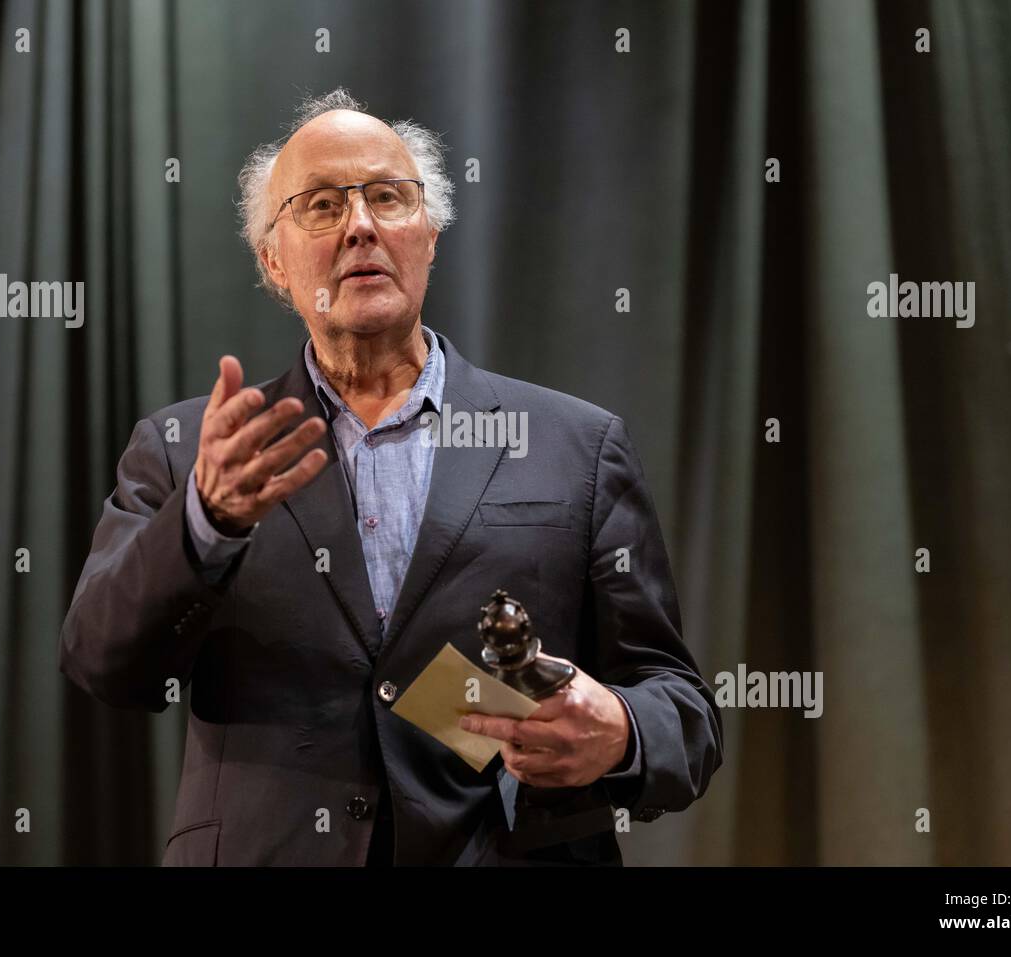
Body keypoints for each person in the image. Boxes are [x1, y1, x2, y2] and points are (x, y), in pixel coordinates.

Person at [59, 88, 723, 865]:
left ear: (430, 235)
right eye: (321, 205)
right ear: (273, 259)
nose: (361, 225)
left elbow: (686, 713)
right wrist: (205, 520)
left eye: (387, 197)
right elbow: (102, 659)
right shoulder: (191, 453)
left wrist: (620, 730)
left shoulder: (577, 445)